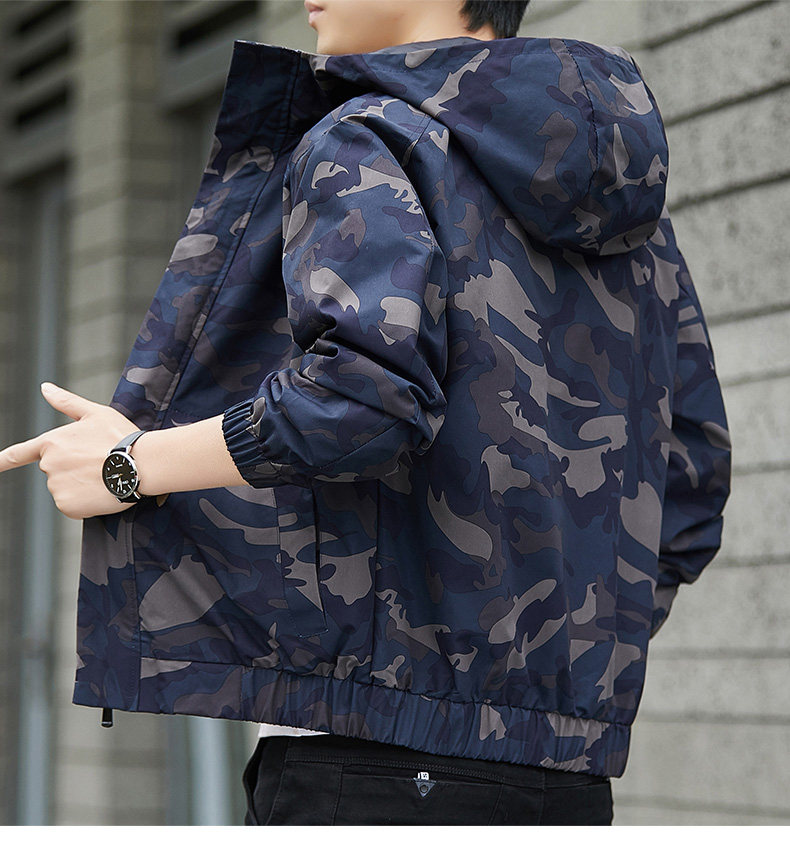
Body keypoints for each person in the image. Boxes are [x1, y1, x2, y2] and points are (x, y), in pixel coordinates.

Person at [0, 0, 731, 826]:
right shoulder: (638, 221)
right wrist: (548, 654)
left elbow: (362, 397)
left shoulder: (369, 138)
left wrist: (128, 466)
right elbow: (691, 483)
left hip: (372, 762)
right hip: (561, 780)